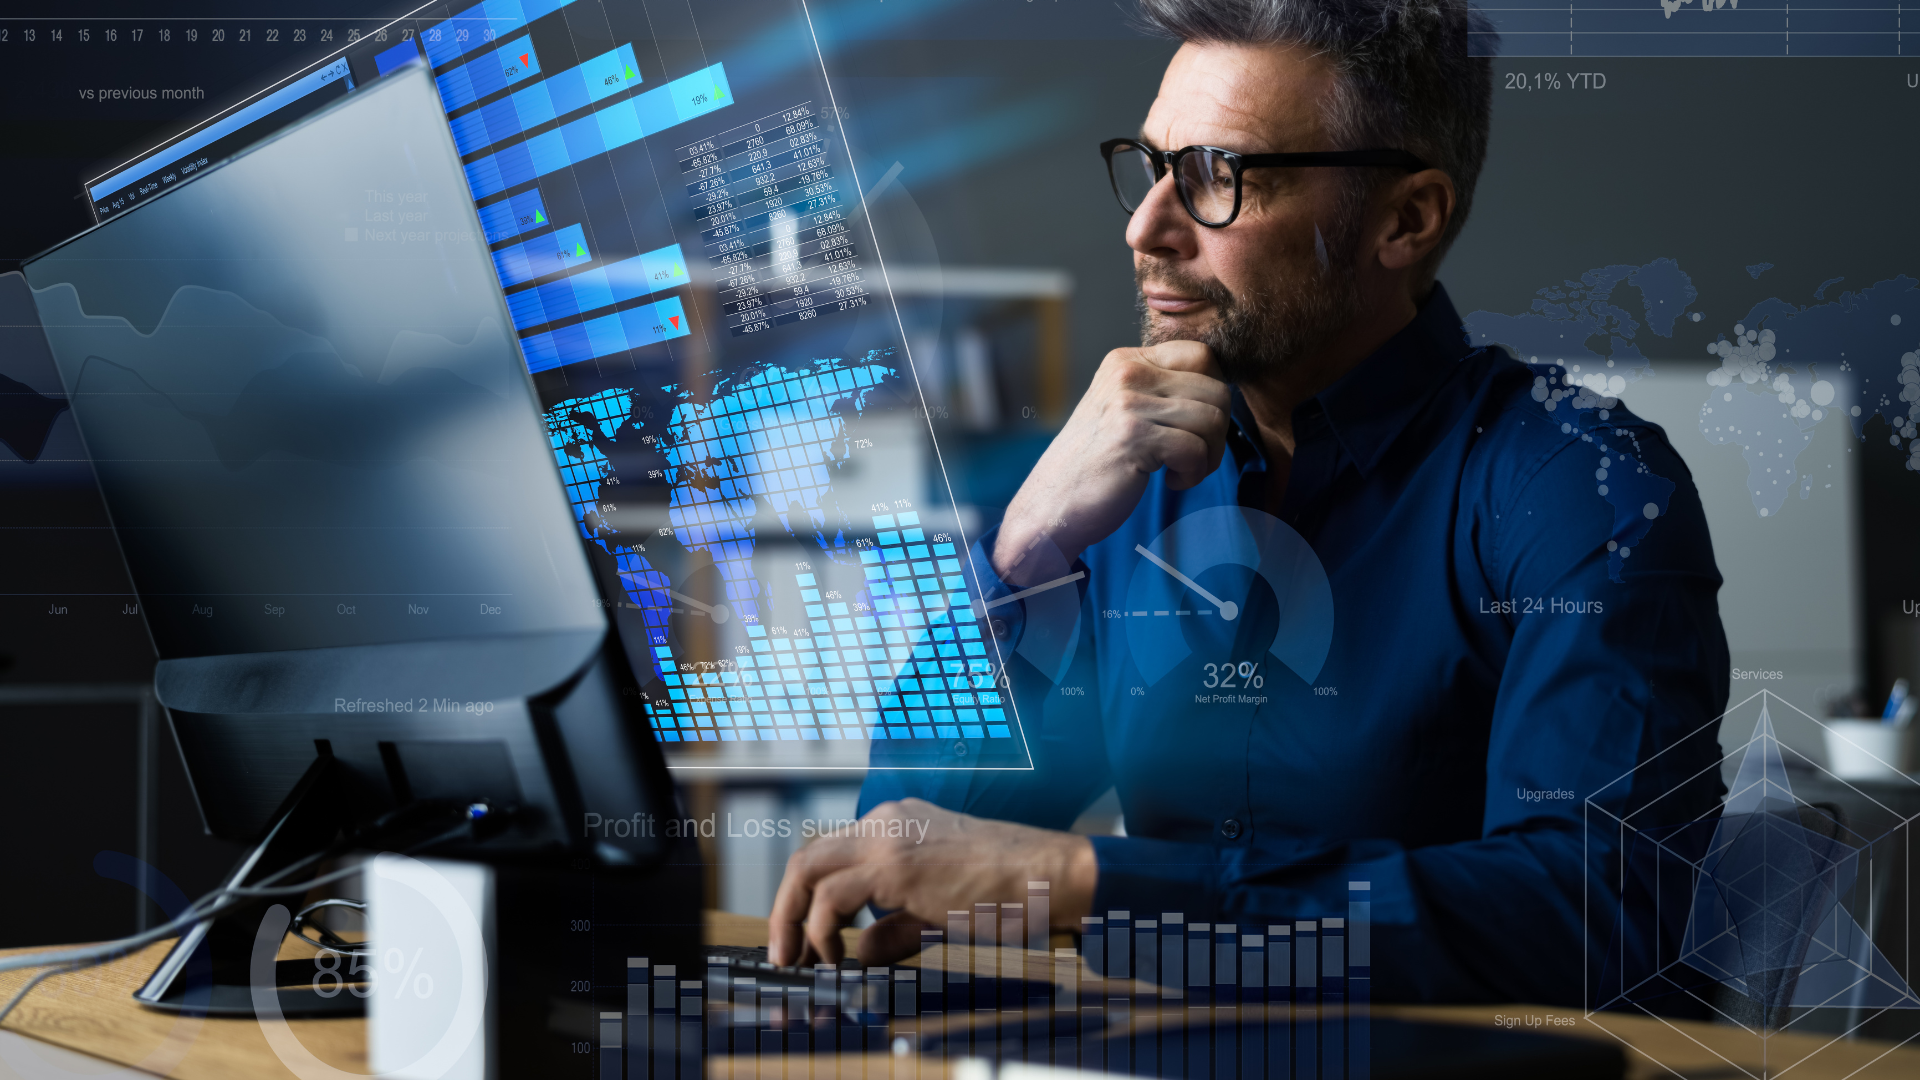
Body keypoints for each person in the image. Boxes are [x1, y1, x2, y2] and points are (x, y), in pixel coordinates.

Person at [768, 0, 1729, 1006]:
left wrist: (1082, 882)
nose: (1146, 227)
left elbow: (1599, 914)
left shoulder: (1582, 482)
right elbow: (897, 860)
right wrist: (1025, 553)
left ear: (1406, 218)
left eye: (1218, 177)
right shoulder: (1116, 484)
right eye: (1150, 166)